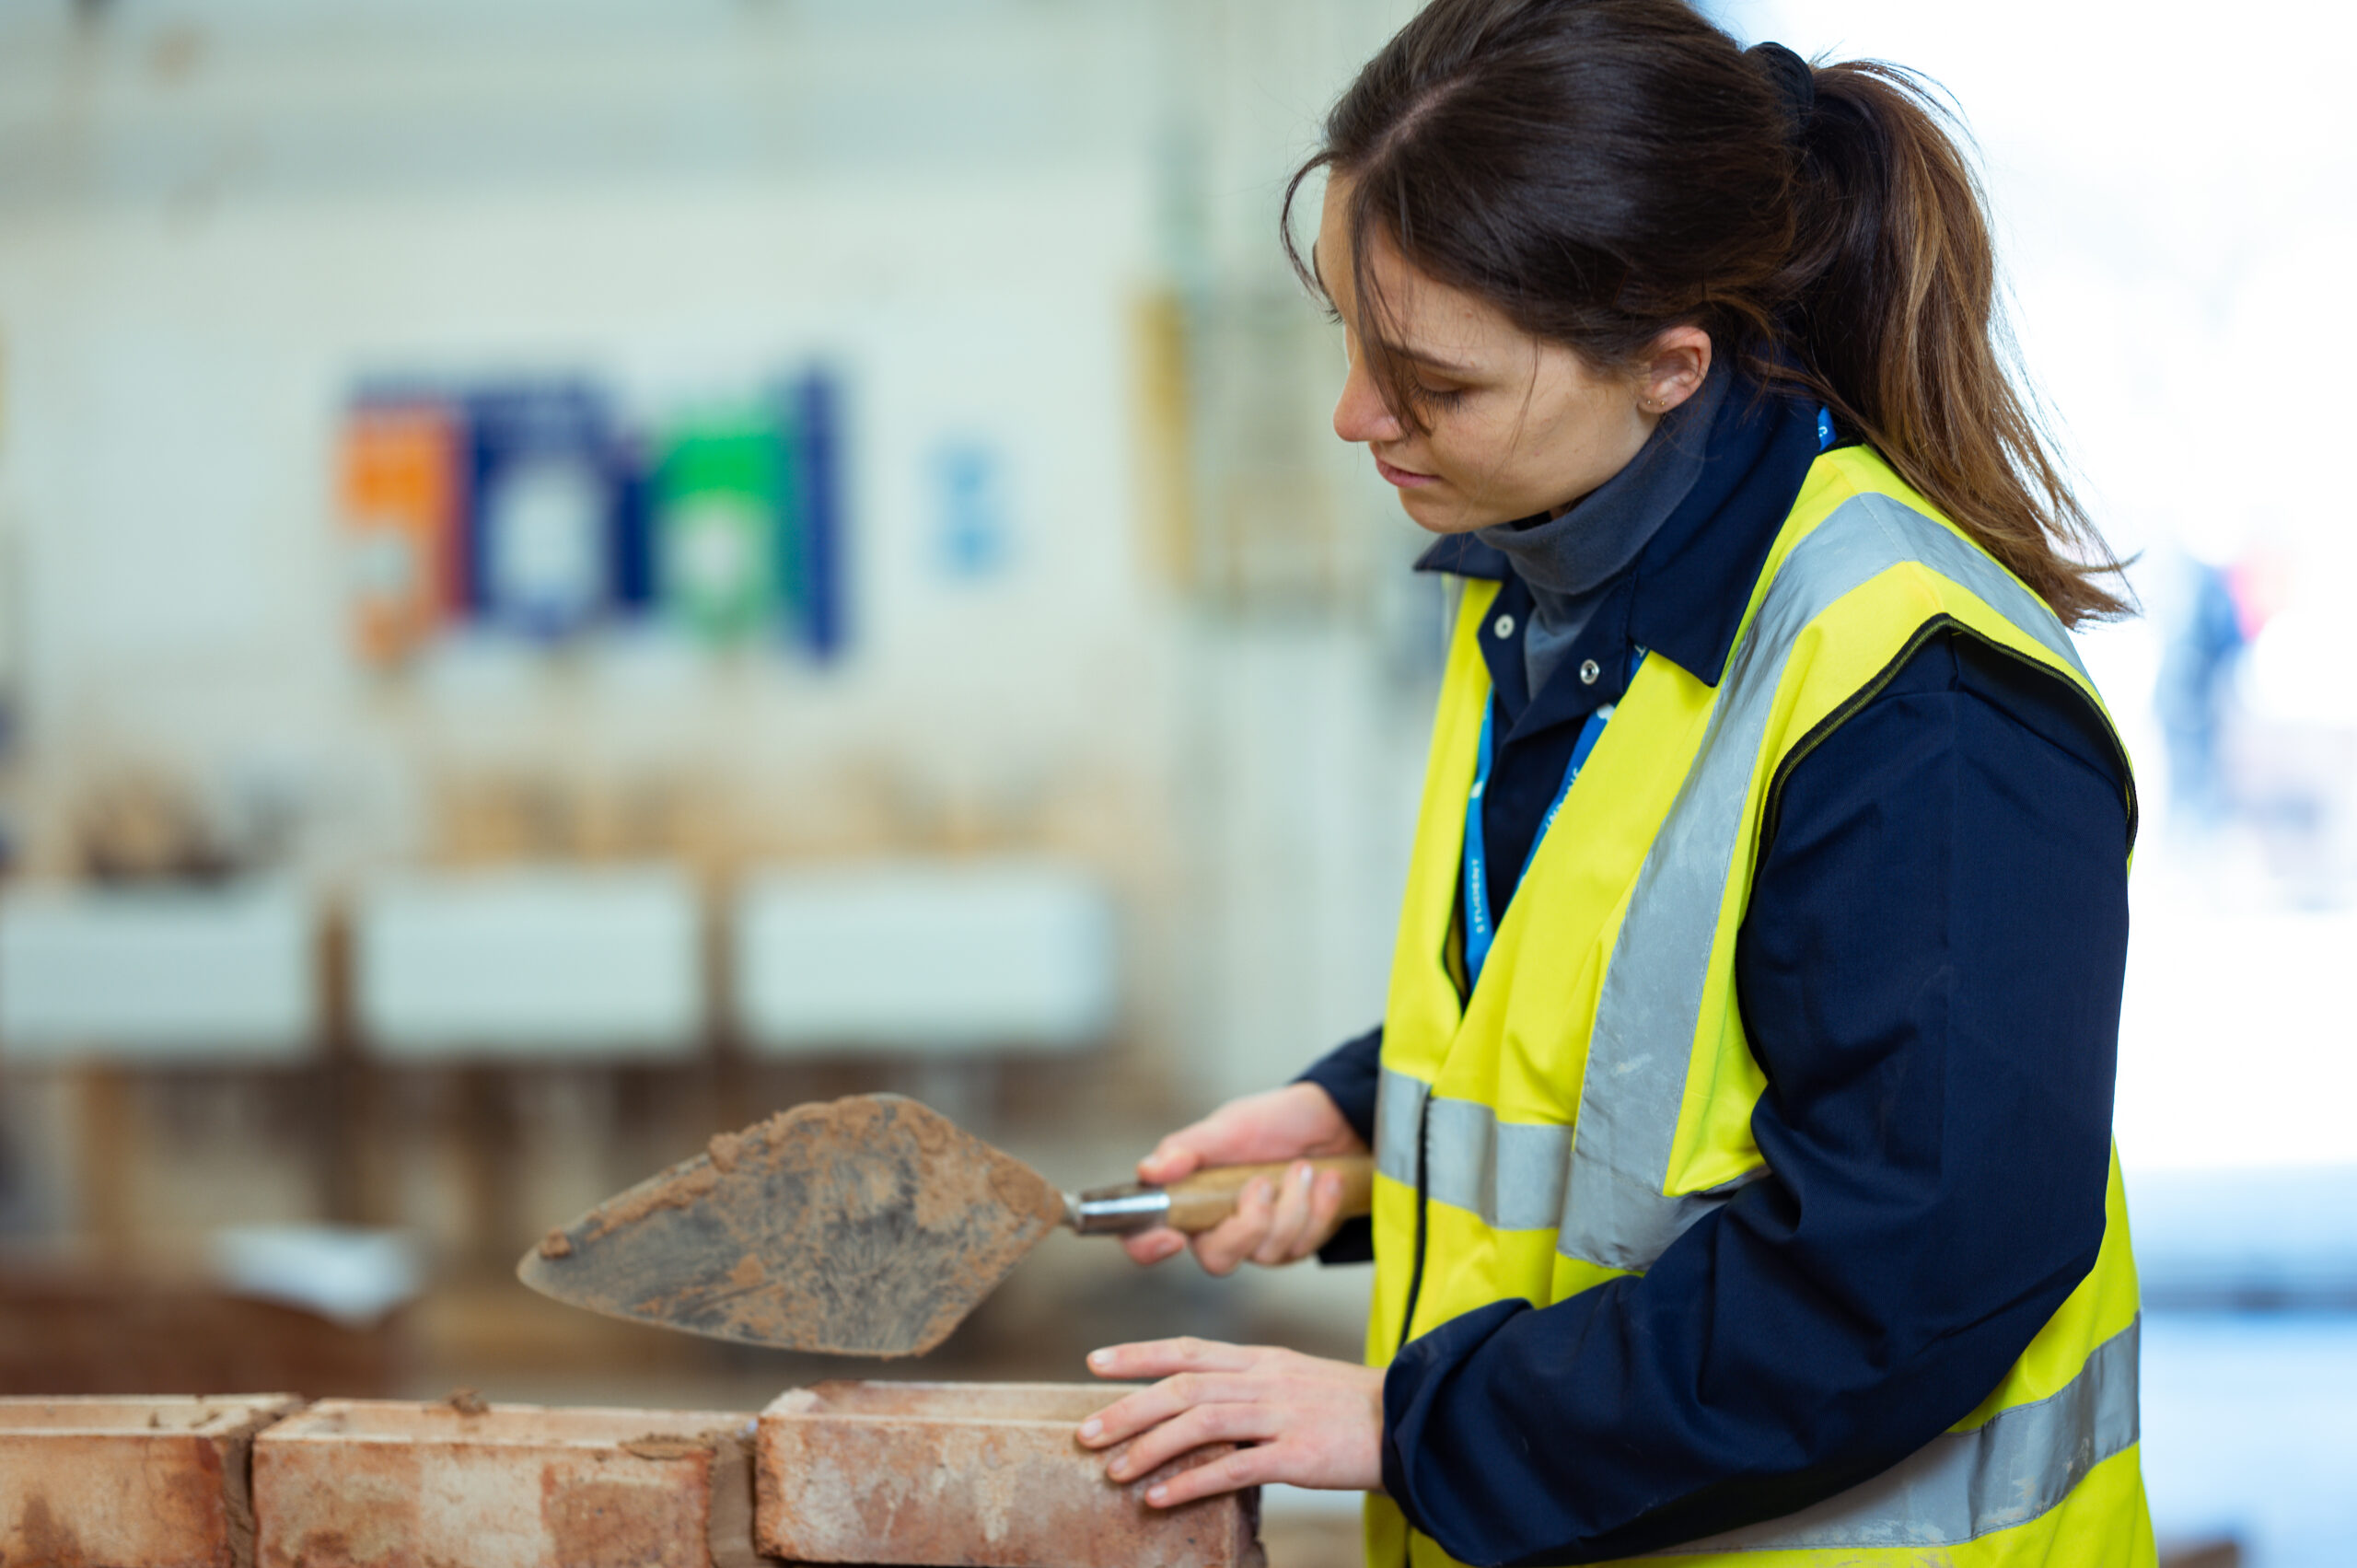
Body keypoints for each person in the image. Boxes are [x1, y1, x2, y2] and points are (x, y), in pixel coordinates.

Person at [1076, 1, 2153, 1564]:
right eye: (1361, 352)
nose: (1358, 418)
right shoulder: (1544, 585)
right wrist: (1362, 1125)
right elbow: (1626, 1015)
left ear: (1668, 365)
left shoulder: (1921, 700)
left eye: (1431, 383)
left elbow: (1911, 1263)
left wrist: (1406, 1424)